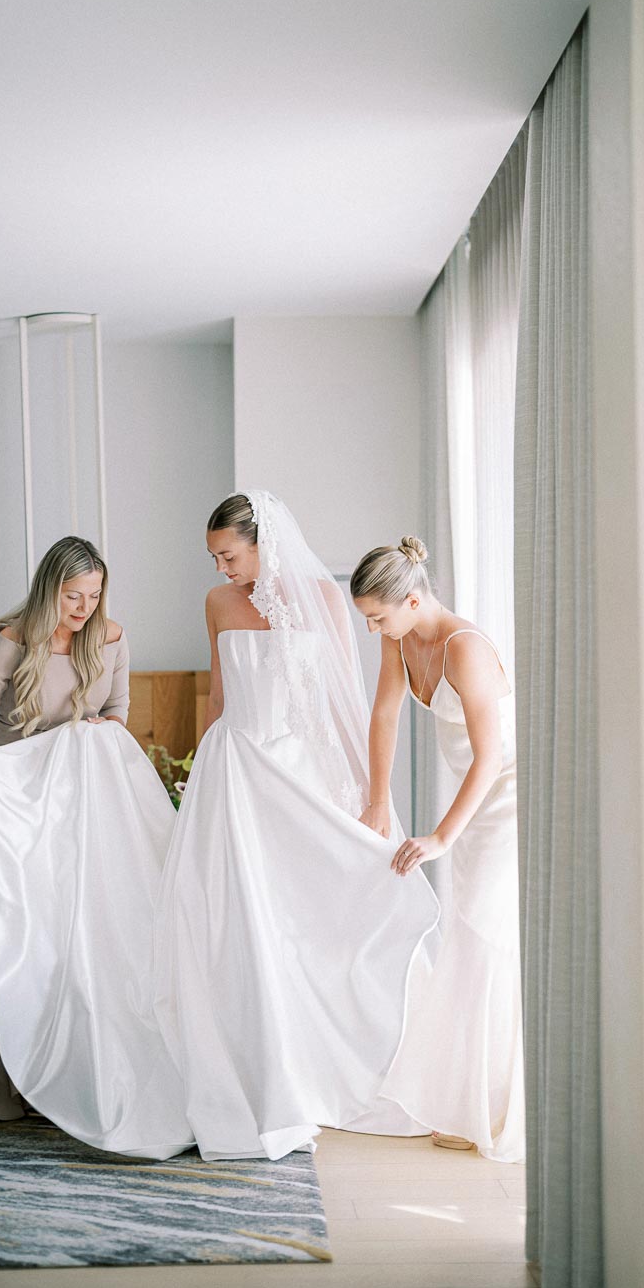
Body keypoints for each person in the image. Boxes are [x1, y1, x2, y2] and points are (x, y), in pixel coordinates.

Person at [152, 492, 440, 1162]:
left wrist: (370, 797)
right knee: (234, 922)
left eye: (229, 554)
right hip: (235, 773)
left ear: (262, 541)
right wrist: (200, 776)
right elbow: (221, 695)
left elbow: (344, 700)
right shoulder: (218, 604)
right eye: (215, 558)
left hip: (299, 773)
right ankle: (254, 1072)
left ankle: (315, 1065)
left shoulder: (321, 596)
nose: (222, 568)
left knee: (305, 919)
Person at [0, 535, 192, 1158]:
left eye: (94, 595)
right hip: (23, 809)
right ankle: (8, 1082)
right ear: (48, 591)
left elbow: (117, 716)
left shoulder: (111, 638)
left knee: (87, 936)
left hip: (84, 811)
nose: (85, 607)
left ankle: (79, 1072)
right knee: (20, 935)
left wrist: (95, 731)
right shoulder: (10, 638)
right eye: (73, 596)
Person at [351, 537, 524, 1162]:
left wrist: (442, 837)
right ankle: (471, 1097)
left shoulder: (466, 648)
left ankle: (495, 1107)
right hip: (474, 796)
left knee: (481, 933)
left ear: (414, 598)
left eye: (377, 617)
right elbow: (385, 714)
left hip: (507, 796)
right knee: (468, 932)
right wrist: (377, 801)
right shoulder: (400, 639)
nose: (373, 628)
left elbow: (493, 756)